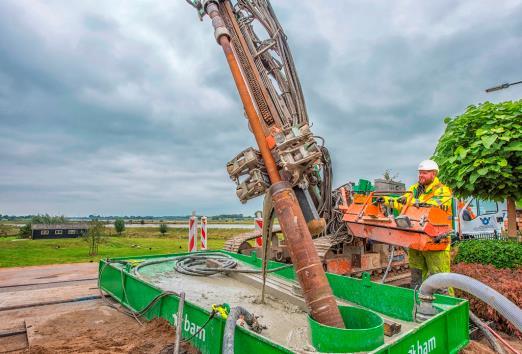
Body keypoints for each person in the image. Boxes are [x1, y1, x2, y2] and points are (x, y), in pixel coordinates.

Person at [381, 159, 454, 295]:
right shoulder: (414, 189)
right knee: (416, 278)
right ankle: (418, 307)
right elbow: (401, 203)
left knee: (440, 280)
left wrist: (412, 201)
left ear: (434, 174)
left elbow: (432, 205)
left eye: (425, 173)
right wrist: (385, 200)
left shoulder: (443, 191)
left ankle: (448, 309)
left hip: (436, 241)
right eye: (420, 173)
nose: (421, 176)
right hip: (416, 239)